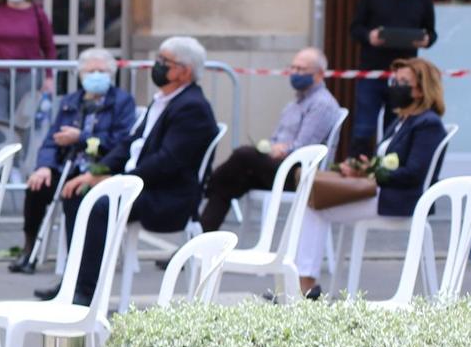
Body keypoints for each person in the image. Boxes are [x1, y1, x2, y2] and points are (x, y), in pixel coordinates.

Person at [38, 36, 217, 306]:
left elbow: (166, 162)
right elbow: (127, 145)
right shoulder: (163, 100)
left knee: (99, 203)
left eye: (163, 62)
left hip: (167, 195)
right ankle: (74, 280)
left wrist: (116, 181)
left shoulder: (192, 107)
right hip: (139, 184)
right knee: (78, 191)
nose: (156, 66)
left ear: (184, 70)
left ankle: (86, 294)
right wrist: (96, 172)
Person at [295, 57, 446, 298]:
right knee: (313, 199)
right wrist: (360, 168)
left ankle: (304, 286)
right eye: (395, 81)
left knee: (316, 206)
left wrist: (371, 173)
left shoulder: (429, 124)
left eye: (403, 82)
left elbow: (413, 173)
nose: (395, 87)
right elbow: (382, 162)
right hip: (380, 192)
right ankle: (305, 284)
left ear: (420, 89)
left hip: (399, 200)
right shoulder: (402, 119)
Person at [9, 47, 137, 275]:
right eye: (90, 71)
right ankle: (29, 248)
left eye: (101, 71)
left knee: (74, 194)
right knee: (37, 187)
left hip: (100, 169)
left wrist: (82, 138)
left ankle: (77, 263)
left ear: (111, 73)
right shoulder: (71, 102)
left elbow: (121, 142)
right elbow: (51, 140)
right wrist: (44, 167)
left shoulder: (122, 102)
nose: (96, 75)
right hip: (67, 164)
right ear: (80, 75)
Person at [198, 47, 340, 233]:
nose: (295, 73)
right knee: (228, 185)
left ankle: (204, 186)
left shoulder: (322, 104)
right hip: (277, 166)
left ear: (319, 74)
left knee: (244, 156)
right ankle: (194, 249)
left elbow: (303, 148)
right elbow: (276, 139)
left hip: (298, 173)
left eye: (301, 70)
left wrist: (280, 149)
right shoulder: (294, 104)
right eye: (293, 68)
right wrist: (273, 148)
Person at [347, 0, 437, 155]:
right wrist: (370, 36)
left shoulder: (422, 0)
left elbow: (431, 33)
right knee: (364, 127)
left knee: (396, 126)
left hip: (405, 75)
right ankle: (356, 170)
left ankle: (388, 169)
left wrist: (426, 40)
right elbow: (355, 29)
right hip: (373, 71)